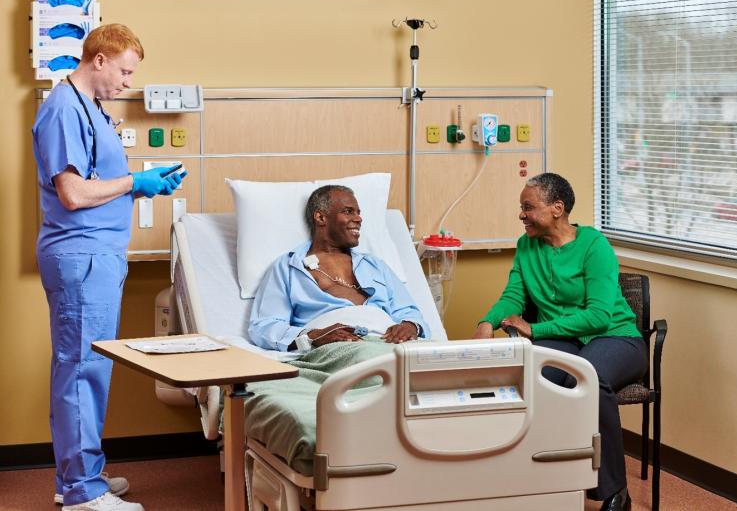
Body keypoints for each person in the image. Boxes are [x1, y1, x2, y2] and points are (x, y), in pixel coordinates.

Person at [33, 24, 184, 511]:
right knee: (82, 370)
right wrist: (133, 182)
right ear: (98, 60)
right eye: (124, 71)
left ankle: (78, 477)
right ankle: (82, 493)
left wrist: (141, 183)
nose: (127, 82)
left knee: (86, 369)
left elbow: (97, 180)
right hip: (81, 255)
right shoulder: (62, 109)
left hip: (95, 256)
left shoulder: (91, 111)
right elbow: (74, 194)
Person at [472, 173, 645, 511]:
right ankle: (536, 478)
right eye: (521, 208)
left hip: (616, 339)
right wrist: (486, 322)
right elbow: (513, 297)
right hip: (566, 341)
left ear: (557, 208)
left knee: (586, 379)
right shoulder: (527, 246)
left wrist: (535, 330)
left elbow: (599, 318)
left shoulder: (594, 246)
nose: (521, 215)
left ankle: (614, 492)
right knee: (528, 374)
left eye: (528, 207)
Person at [248, 185, 429, 351]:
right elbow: (265, 326)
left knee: (443, 361)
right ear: (321, 217)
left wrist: (410, 326)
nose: (358, 218)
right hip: (340, 347)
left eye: (358, 213)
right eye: (348, 211)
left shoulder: (374, 265)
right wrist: (313, 336)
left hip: (391, 343)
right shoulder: (288, 267)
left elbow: (408, 311)